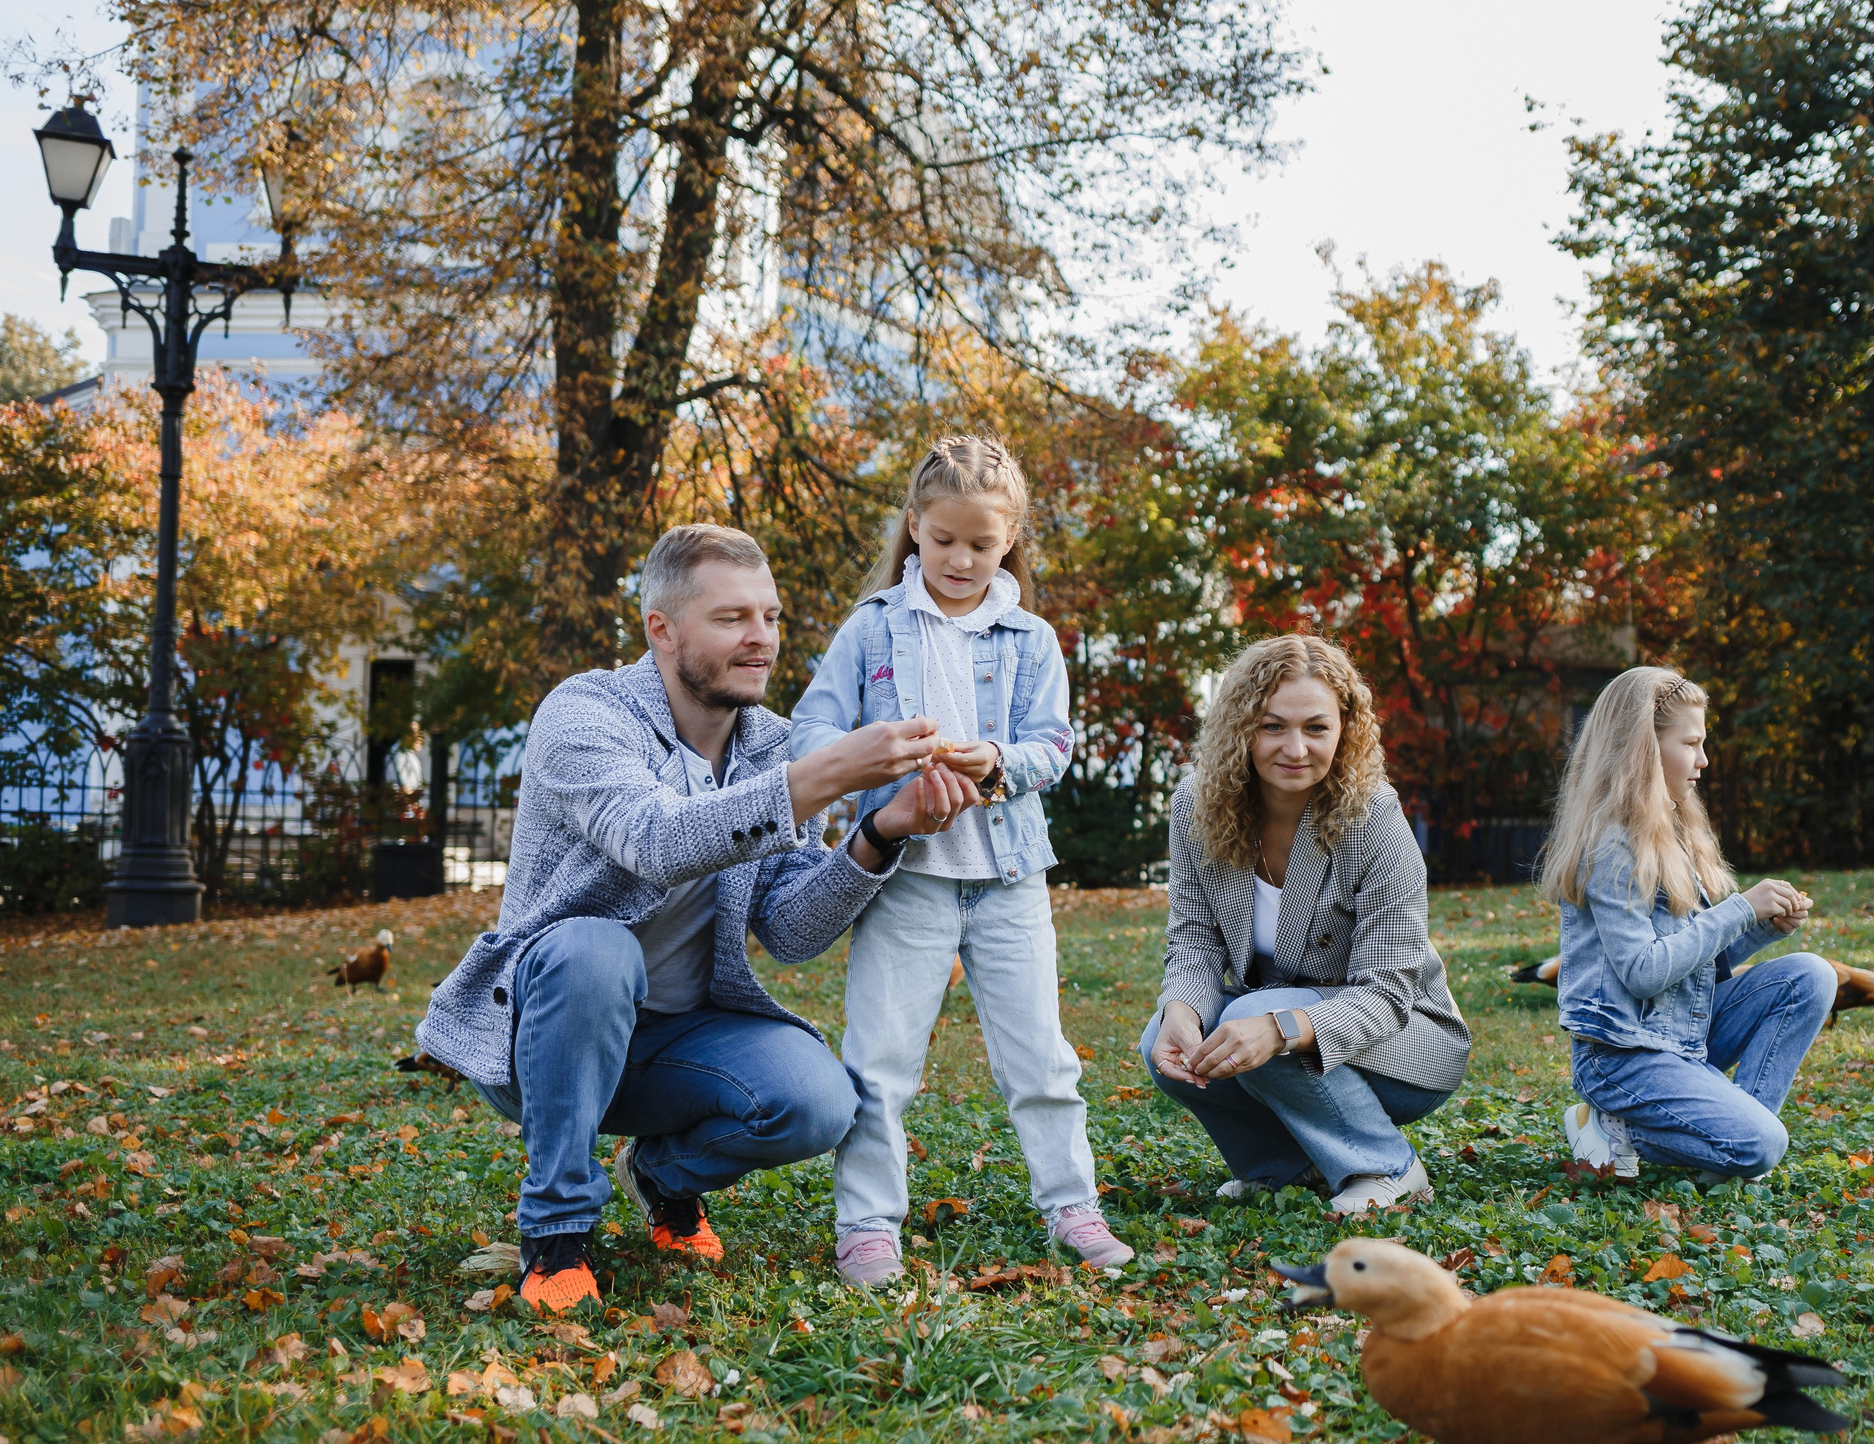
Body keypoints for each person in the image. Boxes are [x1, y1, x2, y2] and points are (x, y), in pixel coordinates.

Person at [416, 524, 983, 1314]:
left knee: (819, 1101)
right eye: (733, 619)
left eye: (772, 617)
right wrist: (816, 778)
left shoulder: (775, 745)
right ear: (663, 629)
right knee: (592, 949)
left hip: (682, 1039)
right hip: (551, 1033)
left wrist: (877, 832)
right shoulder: (586, 714)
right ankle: (555, 1233)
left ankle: (659, 1177)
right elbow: (652, 840)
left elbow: (789, 930)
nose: (762, 640)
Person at [790, 436, 1131, 1285]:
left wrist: (1000, 762)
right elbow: (812, 732)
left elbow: (1052, 744)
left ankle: (1071, 1206)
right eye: (944, 540)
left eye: (982, 543)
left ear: (1008, 539)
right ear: (915, 527)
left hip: (1009, 879)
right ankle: (868, 1225)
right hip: (905, 880)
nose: (961, 558)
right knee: (879, 1061)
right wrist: (874, 756)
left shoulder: (1029, 637)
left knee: (1042, 1058)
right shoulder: (871, 629)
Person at [1140, 635, 1470, 1213]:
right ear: (1240, 728)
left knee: (1249, 1015)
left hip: (1403, 1042)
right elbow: (1194, 936)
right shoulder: (1197, 804)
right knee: (1161, 1045)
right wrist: (1181, 1012)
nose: (1295, 748)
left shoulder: (1375, 820)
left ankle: (1387, 1166)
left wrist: (1280, 1027)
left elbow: (1390, 994)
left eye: (1316, 728)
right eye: (1272, 727)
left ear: (1345, 730)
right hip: (1281, 1019)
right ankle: (1286, 1169)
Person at [1542, 667, 1823, 1183]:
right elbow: (1644, 972)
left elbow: (1691, 967)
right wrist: (1740, 909)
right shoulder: (1611, 845)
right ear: (1643, 750)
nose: (1704, 760)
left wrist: (1764, 928)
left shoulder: (1669, 830)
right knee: (1765, 1143)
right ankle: (1614, 1127)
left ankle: (1729, 1143)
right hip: (1623, 1055)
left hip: (1680, 1034)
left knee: (1810, 976)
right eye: (1691, 743)